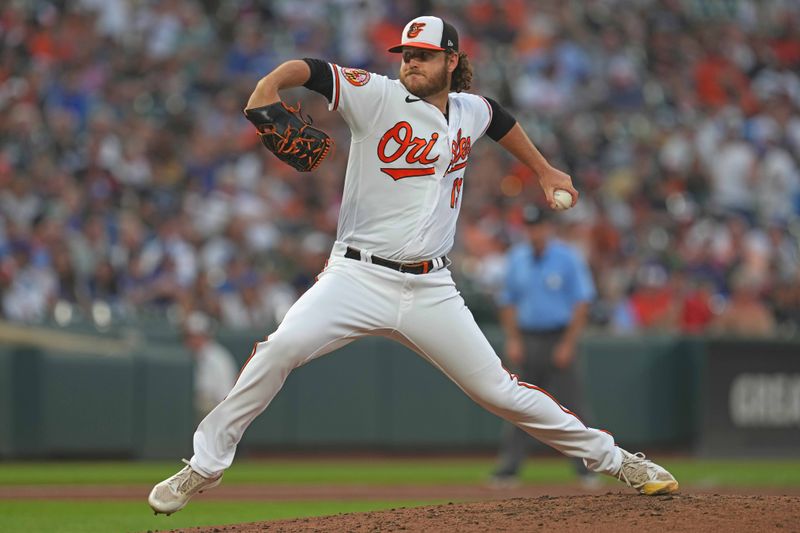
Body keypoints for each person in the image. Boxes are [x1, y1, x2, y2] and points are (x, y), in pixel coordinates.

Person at [148, 16, 678, 515]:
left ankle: (617, 461)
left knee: (500, 391)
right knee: (280, 348)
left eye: (423, 56)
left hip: (432, 287)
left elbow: (500, 119)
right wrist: (268, 86)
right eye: (406, 54)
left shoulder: (470, 110)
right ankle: (203, 466)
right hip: (356, 276)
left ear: (451, 60)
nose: (410, 63)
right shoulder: (376, 95)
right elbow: (309, 70)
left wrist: (543, 170)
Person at [491, 205, 598, 488]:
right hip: (528, 338)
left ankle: (587, 467)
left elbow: (582, 302)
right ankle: (510, 468)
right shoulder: (517, 258)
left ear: (549, 228)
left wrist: (568, 343)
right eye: (529, 227)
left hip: (558, 336)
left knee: (573, 407)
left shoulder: (566, 257)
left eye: (538, 226)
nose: (534, 232)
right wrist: (513, 339)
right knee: (518, 405)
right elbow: (507, 302)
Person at [182, 311, 239, 422]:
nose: (192, 341)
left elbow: (224, 396)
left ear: (205, 336)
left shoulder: (218, 357)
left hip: (216, 410)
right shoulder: (188, 356)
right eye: (189, 337)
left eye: (196, 336)